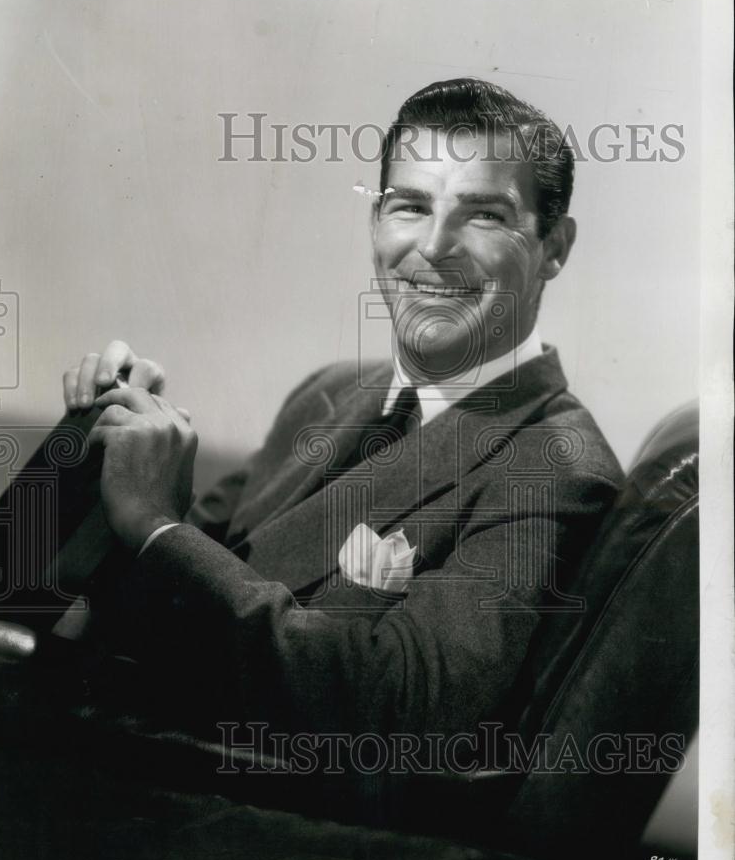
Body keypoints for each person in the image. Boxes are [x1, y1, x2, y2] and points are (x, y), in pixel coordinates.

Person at [62, 78, 623, 761]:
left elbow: (398, 710)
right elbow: (162, 593)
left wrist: (156, 525)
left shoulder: (558, 470)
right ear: (375, 225)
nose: (434, 245)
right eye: (410, 206)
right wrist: (96, 451)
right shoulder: (329, 395)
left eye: (483, 216)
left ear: (555, 246)